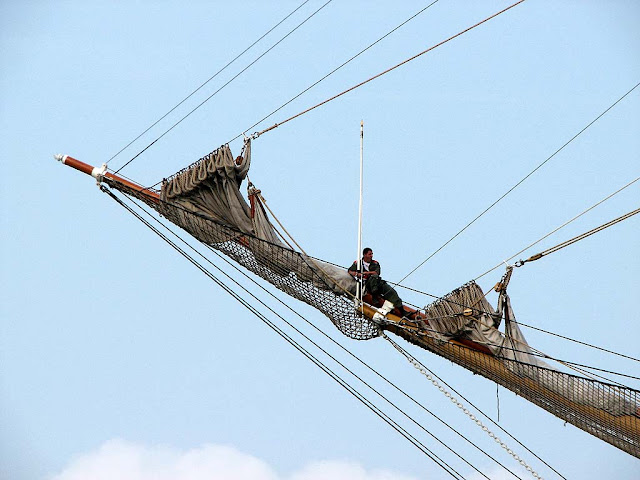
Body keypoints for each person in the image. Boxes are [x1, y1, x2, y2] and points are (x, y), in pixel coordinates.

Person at [348, 247, 405, 317]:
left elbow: (376, 273)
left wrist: (366, 273)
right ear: (365, 255)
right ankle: (374, 295)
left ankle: (402, 310)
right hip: (367, 284)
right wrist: (357, 274)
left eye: (372, 254)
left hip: (378, 283)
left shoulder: (375, 263)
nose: (371, 255)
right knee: (373, 278)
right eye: (369, 254)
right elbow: (350, 271)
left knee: (392, 292)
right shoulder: (358, 263)